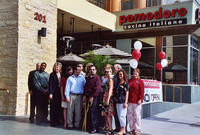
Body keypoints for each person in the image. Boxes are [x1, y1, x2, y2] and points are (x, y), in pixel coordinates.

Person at [83, 65, 101, 134]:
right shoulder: (88, 78)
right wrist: (84, 95)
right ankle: (90, 127)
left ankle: (94, 128)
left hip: (94, 97)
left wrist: (92, 97)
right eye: (91, 69)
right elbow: (85, 87)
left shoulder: (97, 78)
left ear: (95, 70)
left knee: (93, 112)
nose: (92, 71)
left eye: (93, 69)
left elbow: (97, 88)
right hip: (87, 96)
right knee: (89, 112)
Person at [128, 69, 144, 135]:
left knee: (137, 116)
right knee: (130, 116)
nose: (135, 73)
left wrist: (140, 99)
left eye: (136, 73)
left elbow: (142, 91)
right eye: (134, 72)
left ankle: (138, 129)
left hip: (137, 102)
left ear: (138, 74)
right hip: (129, 101)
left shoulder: (140, 81)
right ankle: (132, 129)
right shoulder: (129, 81)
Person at [114, 69, 129, 135]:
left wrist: (126, 102)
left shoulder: (125, 83)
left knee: (122, 116)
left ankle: (122, 130)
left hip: (122, 102)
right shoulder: (118, 83)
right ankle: (123, 130)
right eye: (118, 74)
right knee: (119, 116)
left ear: (123, 75)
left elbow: (127, 93)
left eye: (121, 74)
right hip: (117, 101)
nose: (119, 76)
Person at [49, 62, 62, 127]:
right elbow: (50, 84)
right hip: (54, 93)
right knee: (53, 108)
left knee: (58, 107)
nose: (56, 68)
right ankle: (53, 122)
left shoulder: (61, 74)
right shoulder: (52, 75)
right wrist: (50, 93)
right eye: (55, 67)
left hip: (60, 93)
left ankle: (58, 121)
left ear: (60, 68)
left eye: (57, 67)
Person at [102, 67, 114, 135]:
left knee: (109, 114)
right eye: (106, 72)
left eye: (108, 72)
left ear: (111, 72)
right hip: (105, 97)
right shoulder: (107, 79)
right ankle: (109, 128)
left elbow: (110, 90)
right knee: (106, 114)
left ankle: (110, 129)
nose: (107, 73)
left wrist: (108, 99)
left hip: (108, 98)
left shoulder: (111, 80)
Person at [113, 64, 122, 132]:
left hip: (121, 99)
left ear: (118, 69)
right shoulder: (114, 77)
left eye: (114, 68)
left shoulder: (122, 77)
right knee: (116, 114)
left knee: (121, 115)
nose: (113, 70)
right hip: (115, 98)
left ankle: (123, 129)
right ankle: (117, 127)